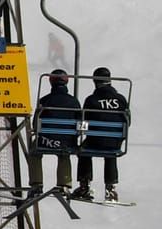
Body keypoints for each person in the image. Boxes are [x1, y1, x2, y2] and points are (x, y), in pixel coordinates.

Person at [76, 67, 127, 202]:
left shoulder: (91, 100)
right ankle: (110, 189)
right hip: (115, 141)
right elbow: (127, 121)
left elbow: (83, 121)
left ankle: (84, 185)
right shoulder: (121, 99)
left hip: (95, 140)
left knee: (83, 150)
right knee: (110, 151)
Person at [31, 69, 81, 195]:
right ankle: (64, 183)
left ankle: (37, 183)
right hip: (67, 143)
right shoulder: (74, 102)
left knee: (34, 151)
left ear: (51, 82)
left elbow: (35, 125)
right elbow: (79, 123)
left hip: (47, 142)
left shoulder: (45, 100)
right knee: (64, 153)